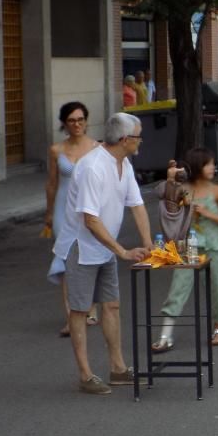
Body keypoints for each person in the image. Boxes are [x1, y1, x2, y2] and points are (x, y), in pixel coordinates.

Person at [52, 112, 153, 395]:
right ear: (123, 139)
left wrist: (149, 245)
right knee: (81, 310)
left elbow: (137, 205)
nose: (141, 142)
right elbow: (90, 219)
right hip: (81, 245)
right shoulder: (93, 167)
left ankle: (118, 368)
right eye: (137, 137)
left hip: (104, 244)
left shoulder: (124, 164)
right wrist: (121, 251)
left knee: (111, 305)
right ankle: (85, 375)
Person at [152, 147, 218, 352]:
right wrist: (171, 181)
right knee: (179, 285)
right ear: (198, 167)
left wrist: (206, 212)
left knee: (216, 286)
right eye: (208, 164)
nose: (213, 167)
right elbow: (165, 201)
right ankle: (165, 335)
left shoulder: (217, 190)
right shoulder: (184, 188)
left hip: (214, 244)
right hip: (189, 245)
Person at [44, 101, 101, 336]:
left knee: (90, 258)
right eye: (71, 120)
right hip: (63, 210)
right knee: (67, 261)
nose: (76, 124)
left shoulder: (97, 149)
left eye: (80, 119)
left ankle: (91, 308)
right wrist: (48, 214)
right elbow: (52, 184)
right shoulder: (56, 150)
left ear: (86, 122)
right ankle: (71, 317)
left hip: (89, 209)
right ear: (64, 124)